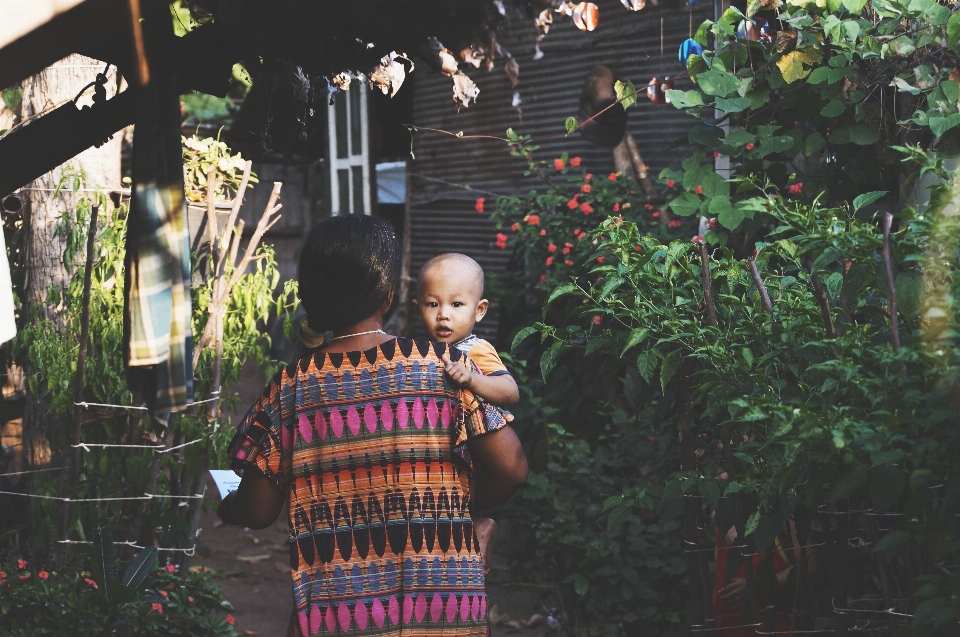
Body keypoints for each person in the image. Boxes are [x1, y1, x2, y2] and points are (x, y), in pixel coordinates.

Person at [217, 216, 528, 637]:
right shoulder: (443, 367)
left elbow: (257, 510)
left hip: (338, 617)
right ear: (390, 295)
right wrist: (453, 516)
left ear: (311, 295)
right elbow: (510, 468)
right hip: (444, 609)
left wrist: (227, 505)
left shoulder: (289, 388)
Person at [412, 253, 521, 571]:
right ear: (419, 309)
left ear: (480, 310)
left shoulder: (476, 349)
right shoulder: (422, 352)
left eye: (456, 305)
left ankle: (479, 528)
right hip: (437, 451)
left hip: (472, 454)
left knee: (453, 511)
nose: (444, 315)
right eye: (433, 305)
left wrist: (472, 378)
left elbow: (510, 390)